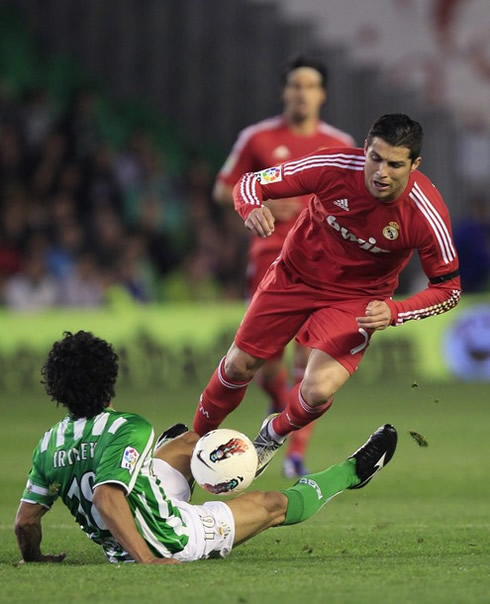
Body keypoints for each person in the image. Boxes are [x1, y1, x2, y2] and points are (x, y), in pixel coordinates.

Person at [193, 113, 461, 477]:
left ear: (415, 165)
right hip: (295, 276)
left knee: (317, 390)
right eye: (375, 158)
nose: (381, 172)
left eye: (395, 164)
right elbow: (251, 182)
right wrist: (251, 207)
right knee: (240, 365)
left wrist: (395, 312)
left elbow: (448, 289)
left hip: (357, 300)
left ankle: (272, 435)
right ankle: (192, 442)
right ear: (365, 149)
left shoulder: (425, 213)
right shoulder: (332, 165)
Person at [15, 330, 397, 564]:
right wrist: (148, 560)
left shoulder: (49, 444)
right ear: (110, 378)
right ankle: (352, 472)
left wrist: (35, 558)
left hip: (133, 520)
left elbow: (26, 522)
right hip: (173, 537)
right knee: (271, 505)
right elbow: (106, 499)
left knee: (189, 442)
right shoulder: (127, 427)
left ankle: (246, 458)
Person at [214, 54, 355, 478]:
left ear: (322, 94)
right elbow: (224, 189)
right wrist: (264, 202)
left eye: (310, 86)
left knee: (312, 357)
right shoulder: (257, 138)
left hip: (324, 264)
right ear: (284, 91)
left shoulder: (341, 144)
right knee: (264, 363)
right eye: (295, 85)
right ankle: (280, 404)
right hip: (269, 259)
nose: (301, 93)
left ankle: (294, 452)